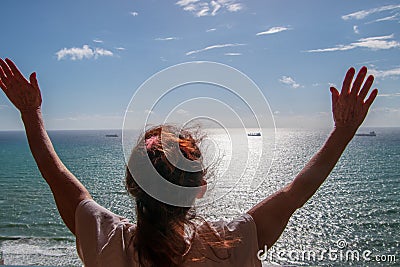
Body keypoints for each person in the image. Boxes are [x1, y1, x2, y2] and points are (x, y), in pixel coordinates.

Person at [0, 58, 378, 267]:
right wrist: (343, 131)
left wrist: (31, 113)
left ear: (131, 183)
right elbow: (294, 193)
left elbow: (58, 177)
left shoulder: (105, 242)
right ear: (200, 188)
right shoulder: (232, 243)